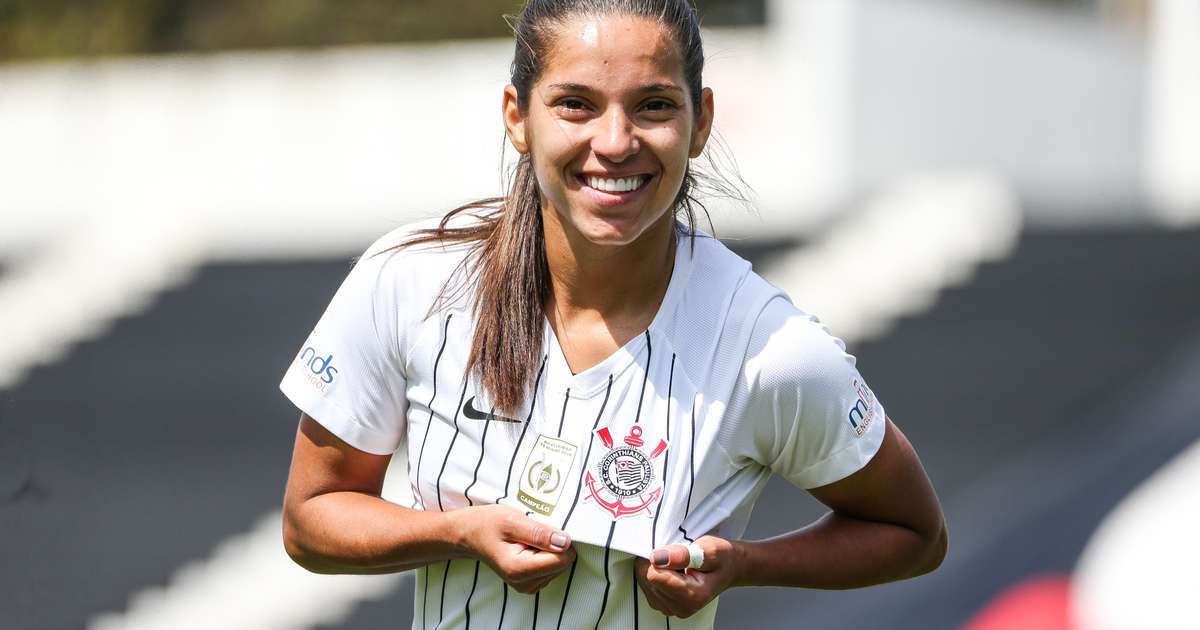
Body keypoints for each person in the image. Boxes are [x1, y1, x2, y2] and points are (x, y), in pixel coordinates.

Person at [279, 0, 947, 627]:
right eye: (576, 104)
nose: (616, 141)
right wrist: (460, 532)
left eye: (653, 105)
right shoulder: (409, 280)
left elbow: (914, 534)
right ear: (517, 115)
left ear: (701, 121)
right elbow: (311, 520)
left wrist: (744, 565)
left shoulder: (769, 350)